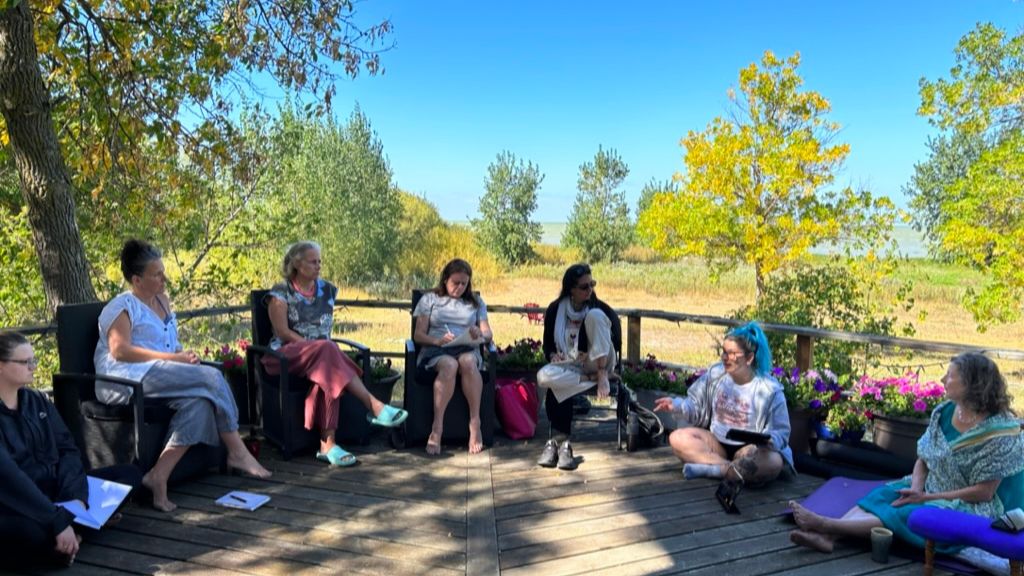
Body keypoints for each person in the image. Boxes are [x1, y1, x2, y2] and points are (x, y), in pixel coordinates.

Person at [95, 239, 271, 512]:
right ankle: (237, 451)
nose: (164, 278)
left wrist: (182, 356)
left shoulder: (162, 302)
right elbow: (120, 350)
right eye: (157, 274)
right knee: (211, 378)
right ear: (137, 279)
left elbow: (167, 344)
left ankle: (158, 477)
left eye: (163, 271)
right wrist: (175, 360)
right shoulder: (122, 306)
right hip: (126, 378)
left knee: (198, 404)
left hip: (158, 373)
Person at [789, 353, 1024, 554]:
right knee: (882, 496)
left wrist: (925, 498)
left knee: (909, 512)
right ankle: (828, 538)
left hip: (968, 504)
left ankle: (825, 525)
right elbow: (924, 456)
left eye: (951, 375)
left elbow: (984, 493)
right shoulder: (945, 412)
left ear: (973, 384)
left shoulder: (999, 432)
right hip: (931, 487)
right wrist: (917, 487)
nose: (943, 379)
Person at [0, 332, 142, 568]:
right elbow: (10, 480)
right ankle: (69, 534)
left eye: (33, 360)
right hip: (19, 505)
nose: (34, 367)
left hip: (59, 494)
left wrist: (74, 498)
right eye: (26, 362)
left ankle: (68, 535)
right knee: (31, 534)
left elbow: (67, 449)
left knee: (128, 475)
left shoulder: (37, 401)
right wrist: (55, 517)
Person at [265, 241, 408, 466]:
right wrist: (314, 347)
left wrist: (320, 349)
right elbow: (283, 332)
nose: (319, 265)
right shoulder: (281, 292)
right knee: (328, 349)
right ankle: (374, 406)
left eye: (320, 261)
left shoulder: (326, 289)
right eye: (313, 261)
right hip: (285, 355)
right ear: (297, 264)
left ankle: (328, 445)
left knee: (327, 365)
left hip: (322, 359)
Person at [653, 322, 792, 493]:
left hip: (749, 450)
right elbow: (695, 403)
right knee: (677, 438)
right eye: (723, 352)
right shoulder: (716, 374)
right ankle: (730, 470)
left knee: (774, 462)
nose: (725, 358)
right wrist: (675, 405)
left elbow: (782, 431)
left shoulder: (769, 390)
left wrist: (770, 440)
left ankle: (713, 470)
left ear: (749, 358)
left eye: (732, 353)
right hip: (716, 442)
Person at [535, 263, 621, 470]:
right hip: (573, 366)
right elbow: (547, 344)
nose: (589, 290)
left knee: (595, 317)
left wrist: (600, 367)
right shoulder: (556, 309)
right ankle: (561, 443)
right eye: (584, 287)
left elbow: (615, 343)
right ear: (570, 289)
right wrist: (553, 355)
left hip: (598, 361)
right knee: (543, 376)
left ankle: (601, 375)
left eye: (591, 284)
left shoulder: (600, 309)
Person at [412, 258, 493, 455]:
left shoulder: (475, 302)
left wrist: (478, 334)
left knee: (467, 362)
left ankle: (475, 423)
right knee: (449, 365)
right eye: (455, 282)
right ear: (445, 279)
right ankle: (437, 428)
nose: (459, 288)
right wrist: (436, 341)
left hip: (466, 347)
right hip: (437, 349)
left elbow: (488, 334)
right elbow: (418, 335)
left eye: (464, 284)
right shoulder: (430, 299)